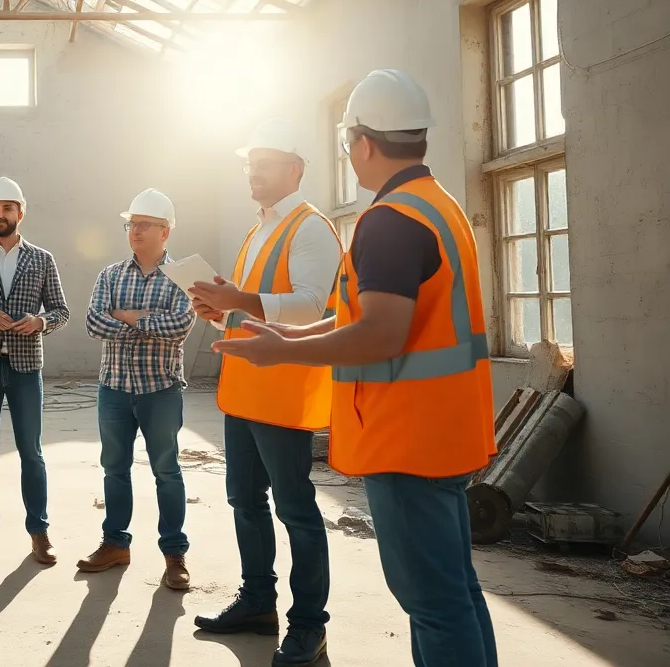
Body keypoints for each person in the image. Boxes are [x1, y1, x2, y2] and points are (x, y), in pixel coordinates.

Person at [213, 69, 498, 667]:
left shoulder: (389, 220)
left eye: (348, 143)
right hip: (446, 430)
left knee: (433, 602)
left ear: (364, 143)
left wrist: (284, 351)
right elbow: (357, 315)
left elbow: (380, 334)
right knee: (455, 592)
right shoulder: (439, 206)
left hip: (407, 438)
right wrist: (290, 334)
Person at [188, 120, 342, 667]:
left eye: (266, 164)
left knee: (295, 509)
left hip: (282, 391)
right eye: (250, 165)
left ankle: (309, 625)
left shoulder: (311, 228)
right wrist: (218, 308)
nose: (254, 173)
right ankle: (257, 601)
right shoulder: (258, 231)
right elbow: (249, 307)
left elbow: (310, 306)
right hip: (244, 391)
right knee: (245, 500)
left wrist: (239, 300)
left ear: (295, 169)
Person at [78, 188, 197, 590]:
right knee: (115, 469)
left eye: (145, 224)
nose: (135, 231)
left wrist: (126, 316)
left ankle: (174, 554)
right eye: (132, 224)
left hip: (160, 389)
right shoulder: (110, 275)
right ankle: (115, 544)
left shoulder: (181, 277)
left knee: (167, 471)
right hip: (114, 388)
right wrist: (146, 320)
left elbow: (179, 326)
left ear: (166, 231)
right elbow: (94, 323)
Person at [0, 177, 70, 565]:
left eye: (6, 208)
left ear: (21, 212)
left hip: (25, 367)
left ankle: (39, 531)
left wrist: (41, 322)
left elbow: (61, 310)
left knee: (31, 453)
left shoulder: (42, 259)